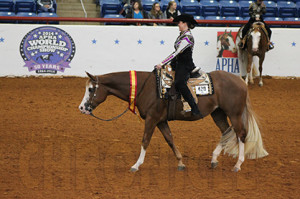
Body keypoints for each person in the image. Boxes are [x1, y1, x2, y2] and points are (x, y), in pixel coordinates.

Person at [155, 14, 202, 117]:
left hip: (185, 65)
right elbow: (175, 52)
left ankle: (194, 108)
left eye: (179, 23)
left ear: (185, 23)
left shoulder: (188, 37)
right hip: (178, 63)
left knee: (180, 82)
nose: (178, 25)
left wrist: (162, 63)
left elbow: (176, 52)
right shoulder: (182, 35)